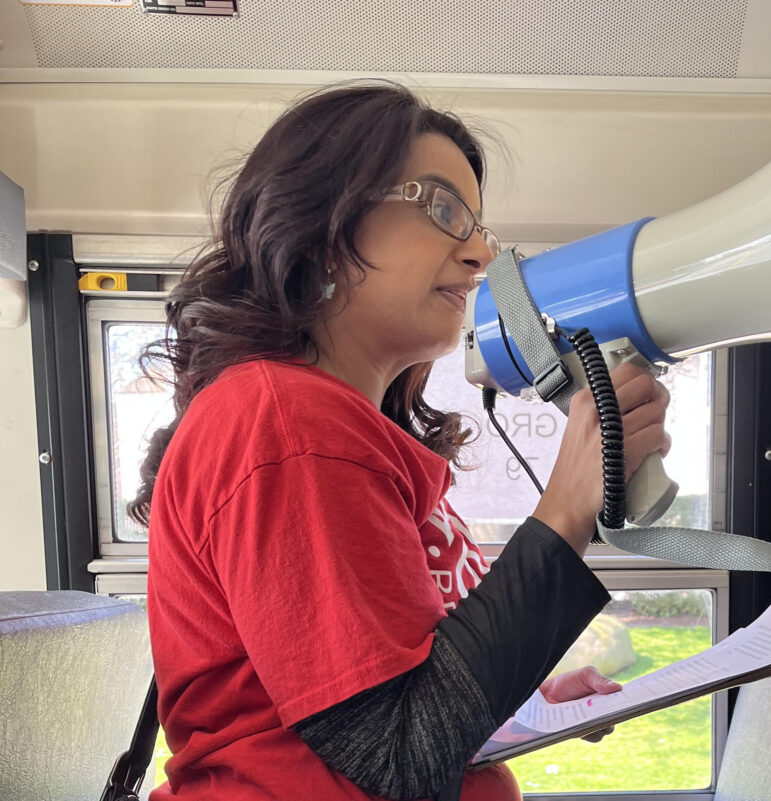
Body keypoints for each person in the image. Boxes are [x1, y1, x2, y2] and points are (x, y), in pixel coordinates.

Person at [130, 83, 671, 801]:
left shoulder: (327, 427)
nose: (481, 253)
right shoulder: (288, 424)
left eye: (481, 225)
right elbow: (399, 756)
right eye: (442, 208)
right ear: (327, 229)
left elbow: (407, 692)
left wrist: (524, 698)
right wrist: (566, 508)